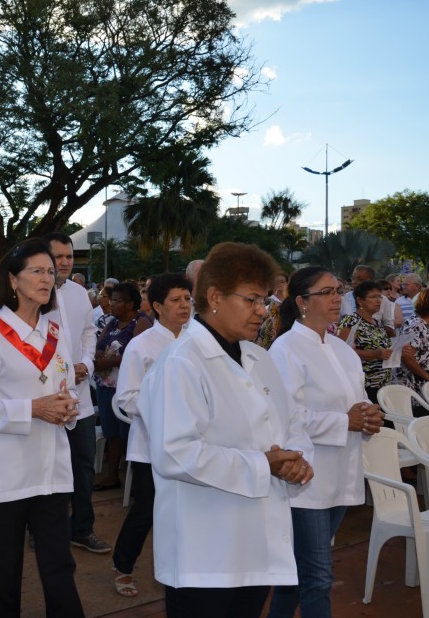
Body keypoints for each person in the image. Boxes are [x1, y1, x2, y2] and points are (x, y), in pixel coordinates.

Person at [138, 242, 314, 617]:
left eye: (265, 300)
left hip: (255, 542)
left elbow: (291, 422)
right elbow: (175, 453)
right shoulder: (181, 363)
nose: (262, 311)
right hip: (205, 550)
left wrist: (298, 459)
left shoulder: (258, 357)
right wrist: (263, 464)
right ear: (215, 297)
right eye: (252, 300)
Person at [0, 238, 85, 617]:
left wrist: (67, 409)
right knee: (3, 571)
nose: (47, 278)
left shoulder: (56, 332)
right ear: (12, 280)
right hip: (7, 474)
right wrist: (32, 410)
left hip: (51, 471)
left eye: (51, 271)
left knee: (59, 566)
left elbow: (66, 388)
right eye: (37, 271)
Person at [267, 267, 384, 618]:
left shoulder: (340, 349)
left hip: (341, 469)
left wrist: (369, 418)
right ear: (302, 301)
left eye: (338, 290)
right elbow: (287, 415)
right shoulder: (286, 348)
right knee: (318, 577)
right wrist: (345, 421)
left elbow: (357, 402)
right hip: (307, 478)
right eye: (326, 292)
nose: (337, 298)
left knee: (301, 571)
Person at [110, 272, 192, 598]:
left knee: (186, 510)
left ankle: (179, 569)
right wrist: (167, 410)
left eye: (188, 298)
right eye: (176, 300)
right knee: (146, 511)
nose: (184, 305)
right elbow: (127, 397)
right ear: (157, 306)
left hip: (192, 443)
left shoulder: (197, 340)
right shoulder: (141, 345)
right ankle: (123, 565)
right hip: (151, 445)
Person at [44, 232, 110, 554]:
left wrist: (85, 362)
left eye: (69, 256)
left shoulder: (80, 293)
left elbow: (88, 333)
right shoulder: (33, 296)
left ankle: (82, 529)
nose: (65, 262)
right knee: (48, 467)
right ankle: (42, 530)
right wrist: (66, 370)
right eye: (58, 257)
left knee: (83, 466)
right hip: (48, 399)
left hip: (80, 397)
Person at [93, 281, 151, 490]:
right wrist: (99, 353)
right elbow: (98, 344)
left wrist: (108, 362)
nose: (111, 303)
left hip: (127, 386)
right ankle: (112, 477)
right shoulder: (112, 322)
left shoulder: (141, 323)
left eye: (116, 300)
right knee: (111, 432)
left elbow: (136, 354)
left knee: (129, 432)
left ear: (129, 304)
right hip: (107, 384)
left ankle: (136, 480)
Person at [336, 281, 393, 403]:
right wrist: (374, 354)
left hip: (383, 383)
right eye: (373, 297)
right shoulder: (351, 321)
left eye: (379, 297)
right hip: (365, 386)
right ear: (360, 301)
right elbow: (342, 352)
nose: (378, 301)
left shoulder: (376, 321)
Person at [393, 287, 429, 397]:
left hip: (427, 386)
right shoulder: (415, 326)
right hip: (413, 386)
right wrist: (428, 377)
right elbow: (406, 357)